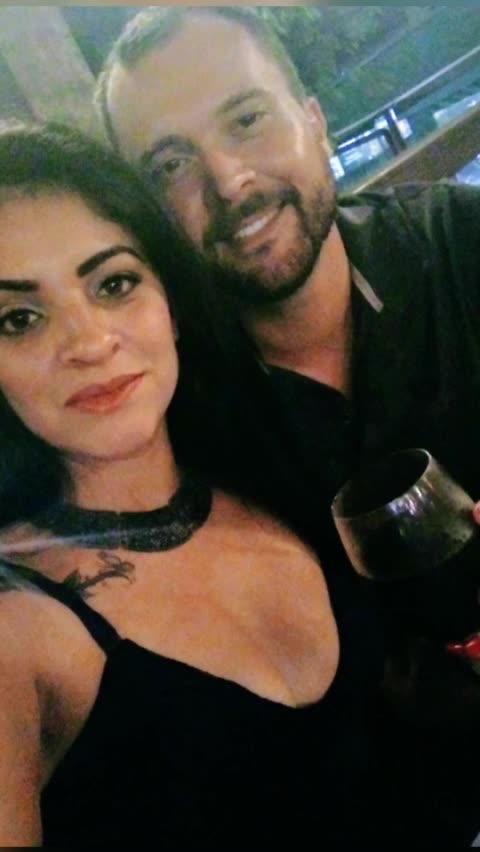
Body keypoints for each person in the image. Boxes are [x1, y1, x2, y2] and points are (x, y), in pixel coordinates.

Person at [95, 7, 480, 847]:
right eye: (171, 164)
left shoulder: (461, 244)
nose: (230, 183)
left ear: (313, 119)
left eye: (246, 119)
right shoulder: (174, 426)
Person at [0, 121, 391, 849]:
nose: (89, 342)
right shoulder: (15, 630)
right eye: (19, 319)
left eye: (114, 283)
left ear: (172, 305)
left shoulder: (268, 474)